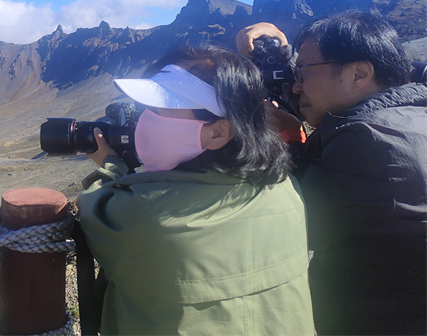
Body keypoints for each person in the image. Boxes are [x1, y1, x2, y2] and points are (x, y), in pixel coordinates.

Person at [77, 45, 314, 335]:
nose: (144, 119)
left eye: (158, 109)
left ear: (218, 132)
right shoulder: (285, 189)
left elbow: (95, 205)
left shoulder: (144, 214)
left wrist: (110, 165)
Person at [237, 11, 427, 335]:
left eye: (302, 71)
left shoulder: (368, 142)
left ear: (359, 73)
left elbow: (285, 226)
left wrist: (287, 139)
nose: (295, 86)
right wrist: (280, 53)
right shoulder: (408, 119)